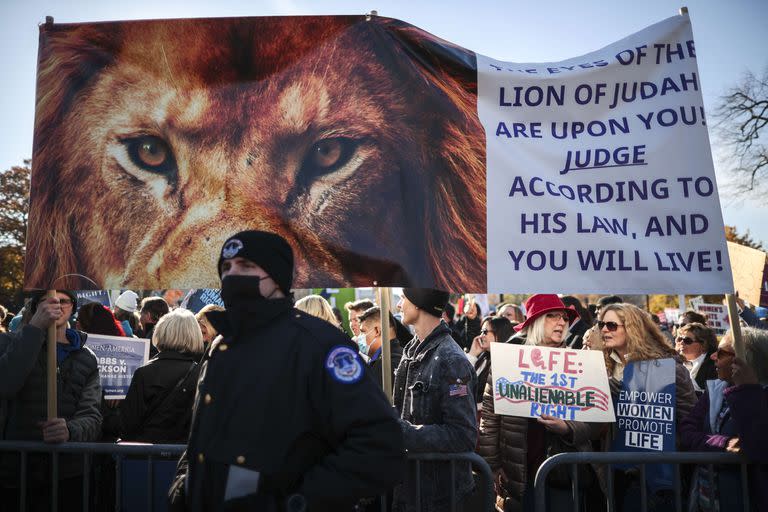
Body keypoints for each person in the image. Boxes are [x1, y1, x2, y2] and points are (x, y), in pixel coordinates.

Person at [168, 231, 405, 511]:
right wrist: (183, 487)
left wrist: (299, 503)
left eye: (246, 266)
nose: (233, 275)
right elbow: (204, 433)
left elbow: (379, 443)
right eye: (226, 268)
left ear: (276, 276)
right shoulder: (222, 345)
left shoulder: (318, 344)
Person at [477, 294, 591, 512]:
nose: (562, 322)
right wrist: (492, 464)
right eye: (553, 316)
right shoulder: (508, 359)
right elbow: (491, 418)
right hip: (519, 470)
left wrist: (568, 428)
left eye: (564, 318)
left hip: (563, 472)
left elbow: (592, 420)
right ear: (536, 322)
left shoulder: (575, 362)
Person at [0, 291, 102, 511]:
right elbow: (6, 385)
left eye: (63, 301)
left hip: (69, 473)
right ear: (36, 308)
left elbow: (92, 416)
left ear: (73, 308)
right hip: (16, 471)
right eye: (48, 301)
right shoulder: (9, 342)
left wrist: (70, 430)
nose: (56, 306)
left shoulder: (87, 357)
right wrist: (35, 328)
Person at [598, 303, 697, 511]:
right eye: (601, 324)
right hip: (617, 471)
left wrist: (660, 441)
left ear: (633, 327)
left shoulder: (668, 368)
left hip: (656, 477)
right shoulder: (604, 365)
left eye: (611, 325)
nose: (604, 330)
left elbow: (690, 420)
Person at [393, 288, 477, 511]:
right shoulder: (412, 350)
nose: (399, 305)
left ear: (419, 302)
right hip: (413, 488)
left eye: (403, 298)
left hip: (440, 496)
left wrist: (402, 432)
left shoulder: (452, 360)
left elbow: (463, 435)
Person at [680, 327, 768, 511]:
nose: (713, 357)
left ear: (744, 359)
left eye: (721, 353)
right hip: (706, 500)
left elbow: (755, 445)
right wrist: (723, 443)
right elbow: (687, 432)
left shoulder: (761, 397)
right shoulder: (715, 390)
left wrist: (747, 392)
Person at [120, 309, 204, 443]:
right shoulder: (201, 373)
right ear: (194, 335)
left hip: (145, 456)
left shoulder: (144, 373)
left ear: (161, 332)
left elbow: (128, 424)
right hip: (185, 457)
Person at [466, 315, 514, 407]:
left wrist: (476, 407)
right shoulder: (483, 358)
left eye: (485, 332)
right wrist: (472, 355)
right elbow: (460, 384)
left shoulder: (508, 363)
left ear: (500, 333)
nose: (481, 336)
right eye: (481, 332)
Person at [357, 306, 403, 389]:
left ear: (377, 331)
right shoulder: (385, 359)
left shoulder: (386, 364)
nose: (359, 337)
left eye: (363, 332)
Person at [675, 322, 717, 394]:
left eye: (687, 340)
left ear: (703, 345)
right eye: (680, 339)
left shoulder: (714, 365)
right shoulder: (676, 361)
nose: (681, 343)